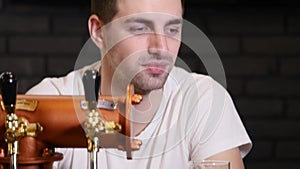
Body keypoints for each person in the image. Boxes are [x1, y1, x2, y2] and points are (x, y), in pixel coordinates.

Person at [27, 0, 252, 168]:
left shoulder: (204, 100)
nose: (161, 47)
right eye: (140, 28)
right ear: (98, 32)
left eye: (172, 29)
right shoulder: (50, 102)